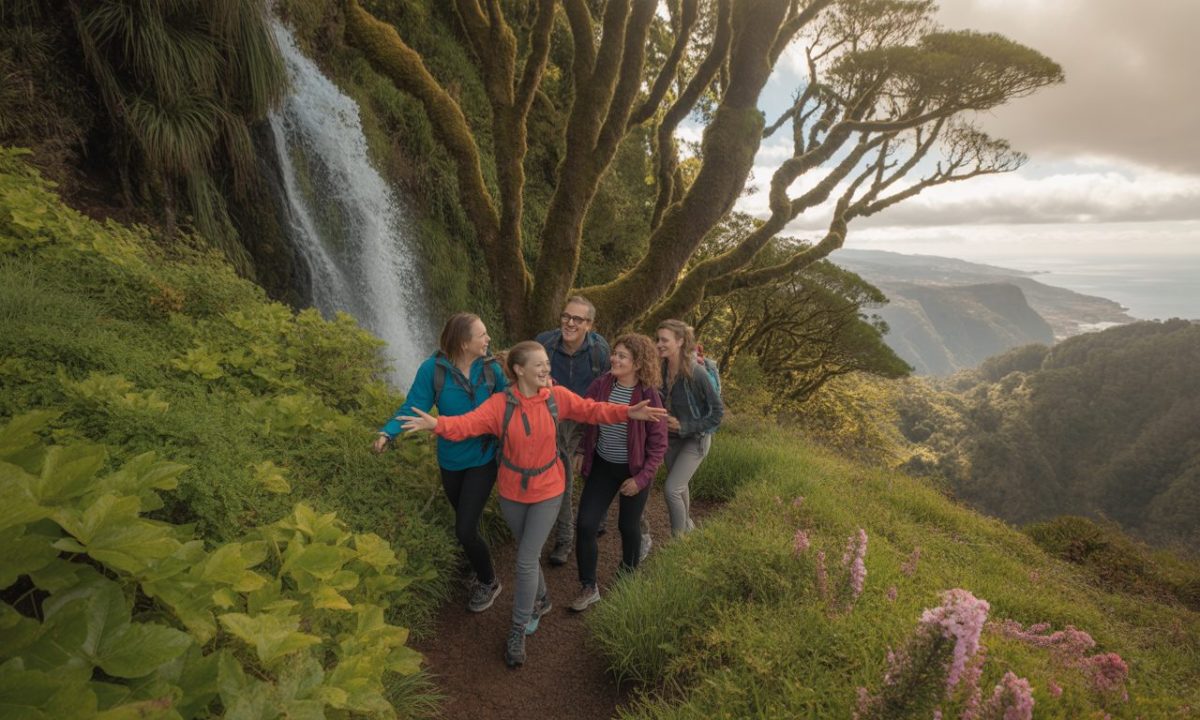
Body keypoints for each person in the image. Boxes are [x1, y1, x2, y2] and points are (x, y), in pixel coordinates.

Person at [398, 341, 666, 667]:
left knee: (525, 559)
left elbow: (591, 409)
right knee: (528, 552)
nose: (545, 370)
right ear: (518, 370)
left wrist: (628, 412)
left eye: (547, 365)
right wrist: (436, 424)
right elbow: (466, 424)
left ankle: (517, 628)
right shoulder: (500, 405)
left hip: (549, 489)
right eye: (538, 365)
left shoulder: (556, 397)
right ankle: (541, 598)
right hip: (512, 492)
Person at [373, 313, 506, 614]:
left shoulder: (491, 369)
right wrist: (387, 433)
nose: (488, 339)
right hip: (451, 460)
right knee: (466, 521)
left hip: (484, 458)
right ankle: (477, 562)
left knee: (464, 528)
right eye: (482, 335)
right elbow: (413, 408)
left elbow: (511, 403)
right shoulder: (433, 370)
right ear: (463, 342)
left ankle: (489, 581)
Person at [569, 333, 668, 612]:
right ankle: (589, 586)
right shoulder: (602, 385)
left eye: (622, 356)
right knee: (586, 524)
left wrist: (641, 479)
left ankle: (628, 576)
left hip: (633, 471)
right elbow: (585, 415)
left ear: (638, 364)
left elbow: (659, 445)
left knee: (628, 526)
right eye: (614, 353)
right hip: (602, 466)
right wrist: (579, 451)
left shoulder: (650, 396)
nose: (614, 358)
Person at [535, 296, 611, 566]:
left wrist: (584, 445)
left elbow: (605, 395)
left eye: (577, 319)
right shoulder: (544, 343)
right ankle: (565, 538)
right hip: (553, 417)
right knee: (562, 477)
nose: (569, 323)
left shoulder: (600, 351)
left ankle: (598, 514)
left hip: (587, 416)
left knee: (594, 466)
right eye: (566, 316)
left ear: (589, 324)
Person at [655, 319, 724, 536]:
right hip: (671, 438)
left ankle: (678, 542)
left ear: (680, 341)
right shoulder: (661, 368)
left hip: (696, 438)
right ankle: (689, 533)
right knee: (680, 486)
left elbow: (717, 413)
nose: (659, 344)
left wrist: (685, 425)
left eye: (664, 340)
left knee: (672, 489)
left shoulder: (697, 373)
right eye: (658, 339)